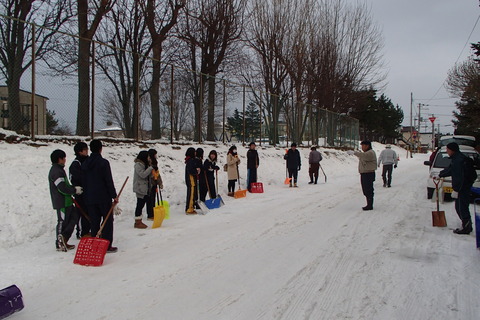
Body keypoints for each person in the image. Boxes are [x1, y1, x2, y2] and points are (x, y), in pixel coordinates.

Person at [82, 140, 119, 253]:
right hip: (103, 197)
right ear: (100, 149)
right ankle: (107, 245)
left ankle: (95, 243)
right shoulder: (103, 163)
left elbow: (83, 181)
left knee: (94, 221)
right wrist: (114, 195)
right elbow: (108, 180)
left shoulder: (85, 164)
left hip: (90, 197)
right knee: (107, 220)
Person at [438, 142, 477, 234]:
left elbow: (459, 177)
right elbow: (450, 170)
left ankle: (467, 228)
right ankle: (467, 225)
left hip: (462, 188)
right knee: (459, 207)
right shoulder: (457, 158)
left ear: (452, 150)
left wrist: (457, 189)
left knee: (462, 207)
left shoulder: (458, 160)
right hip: (463, 187)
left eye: (448, 149)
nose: (447, 151)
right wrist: (440, 174)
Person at [48, 149, 82, 252]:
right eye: (64, 158)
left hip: (68, 201)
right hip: (61, 202)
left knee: (74, 217)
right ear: (59, 159)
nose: (65, 160)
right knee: (62, 221)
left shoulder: (60, 170)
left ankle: (64, 238)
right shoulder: (56, 171)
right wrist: (74, 190)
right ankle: (59, 242)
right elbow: (62, 187)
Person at [69, 142, 90, 239]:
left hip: (89, 191)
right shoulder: (76, 163)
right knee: (82, 212)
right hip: (80, 192)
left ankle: (88, 230)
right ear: (79, 151)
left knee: (89, 212)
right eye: (85, 149)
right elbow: (76, 178)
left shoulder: (88, 160)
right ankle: (81, 232)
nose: (87, 151)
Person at [351, 140, 377, 210]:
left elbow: (364, 156)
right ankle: (369, 203)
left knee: (368, 189)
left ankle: (370, 205)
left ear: (367, 146)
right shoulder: (366, 153)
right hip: (365, 173)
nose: (362, 147)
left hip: (368, 173)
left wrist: (354, 153)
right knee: (365, 189)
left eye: (363, 145)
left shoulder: (370, 152)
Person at [133, 151, 154, 229]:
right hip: (140, 188)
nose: (149, 158)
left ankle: (140, 219)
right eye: (148, 157)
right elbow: (143, 175)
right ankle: (137, 222)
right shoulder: (138, 165)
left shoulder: (145, 165)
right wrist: (150, 168)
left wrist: (151, 168)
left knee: (143, 203)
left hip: (145, 188)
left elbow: (148, 175)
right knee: (140, 204)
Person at [148, 149, 163, 220]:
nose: (156, 156)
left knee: (153, 198)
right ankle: (150, 214)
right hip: (150, 183)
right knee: (150, 199)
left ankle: (152, 213)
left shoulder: (155, 162)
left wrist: (159, 182)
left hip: (154, 182)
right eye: (155, 154)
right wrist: (154, 176)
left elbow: (157, 173)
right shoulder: (149, 162)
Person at [185, 147, 200, 214]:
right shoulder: (190, 161)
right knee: (191, 194)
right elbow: (191, 170)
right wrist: (196, 171)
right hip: (191, 180)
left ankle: (190, 207)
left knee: (191, 194)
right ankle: (189, 208)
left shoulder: (189, 160)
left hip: (190, 180)